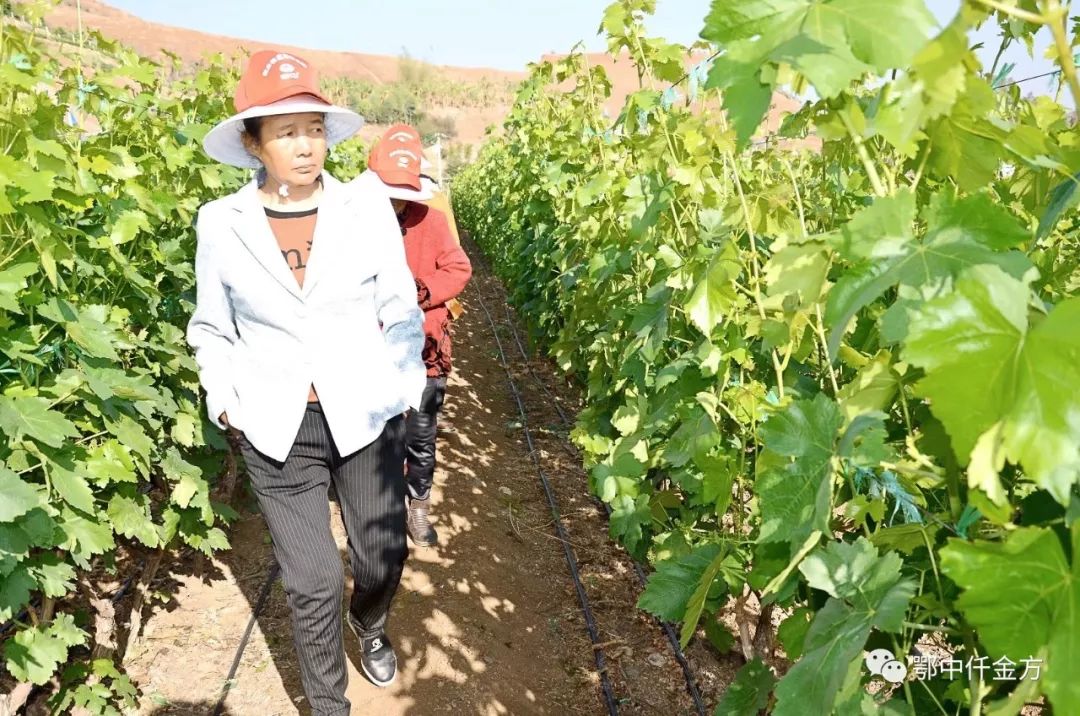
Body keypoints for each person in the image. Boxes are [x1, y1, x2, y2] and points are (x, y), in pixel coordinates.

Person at [186, 50, 426, 712]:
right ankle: (328, 704)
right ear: (253, 143)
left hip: (366, 413)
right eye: (286, 131)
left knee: (381, 556)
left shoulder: (365, 209)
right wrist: (224, 398)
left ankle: (369, 622)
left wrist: (405, 380)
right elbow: (211, 325)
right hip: (275, 423)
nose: (305, 145)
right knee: (312, 581)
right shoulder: (222, 223)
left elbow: (399, 306)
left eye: (314, 129)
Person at [355, 124, 472, 547]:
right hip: (370, 349)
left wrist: (420, 293)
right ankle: (380, 506)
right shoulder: (355, 222)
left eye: (402, 193)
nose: (396, 201)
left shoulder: (432, 222)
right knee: (376, 432)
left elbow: (458, 269)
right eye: (389, 192)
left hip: (424, 349)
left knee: (420, 434)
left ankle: (418, 507)